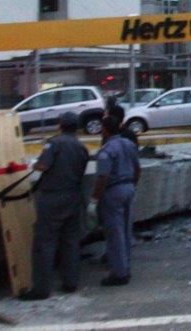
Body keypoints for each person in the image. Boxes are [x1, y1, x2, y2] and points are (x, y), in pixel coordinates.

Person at [19, 112, 89, 300]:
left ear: (60, 125)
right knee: (71, 242)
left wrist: (33, 163)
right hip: (73, 197)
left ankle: (41, 288)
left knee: (45, 242)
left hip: (53, 198)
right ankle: (70, 281)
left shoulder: (55, 143)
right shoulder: (82, 147)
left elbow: (43, 166)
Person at [93, 116, 141, 286]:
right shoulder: (129, 144)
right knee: (126, 231)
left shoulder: (106, 150)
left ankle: (118, 273)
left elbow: (102, 177)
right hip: (128, 188)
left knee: (115, 234)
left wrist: (94, 199)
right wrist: (132, 185)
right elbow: (137, 169)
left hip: (113, 191)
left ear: (104, 130)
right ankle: (125, 268)